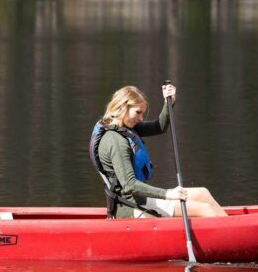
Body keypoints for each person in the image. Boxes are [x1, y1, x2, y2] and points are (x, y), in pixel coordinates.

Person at [89, 83, 226, 219]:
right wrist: (168, 194)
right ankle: (230, 236)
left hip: (140, 198)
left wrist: (169, 103)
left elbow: (159, 126)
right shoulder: (115, 140)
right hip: (129, 205)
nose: (141, 118)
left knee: (203, 193)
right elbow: (129, 185)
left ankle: (232, 228)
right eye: (138, 112)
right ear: (123, 107)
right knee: (206, 210)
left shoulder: (125, 127)